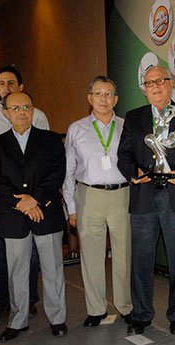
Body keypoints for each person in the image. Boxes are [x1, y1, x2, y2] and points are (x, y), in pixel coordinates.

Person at [117, 66, 175, 336]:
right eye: (149, 82)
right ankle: (141, 314)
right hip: (144, 197)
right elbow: (124, 155)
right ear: (144, 88)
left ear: (170, 83)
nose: (155, 86)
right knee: (141, 260)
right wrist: (134, 173)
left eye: (160, 81)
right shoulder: (133, 117)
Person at [0, 92, 67, 342]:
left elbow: (57, 173)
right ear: (6, 112)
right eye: (15, 108)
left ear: (33, 110)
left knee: (53, 268)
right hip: (14, 217)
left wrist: (35, 199)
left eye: (26, 107)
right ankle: (18, 321)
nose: (21, 112)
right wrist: (21, 203)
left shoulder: (51, 140)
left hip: (46, 211)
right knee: (17, 270)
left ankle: (58, 319)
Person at [0, 66, 46, 323]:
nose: (7, 87)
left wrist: (27, 195)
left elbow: (44, 155)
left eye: (11, 82)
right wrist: (5, 189)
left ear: (21, 86)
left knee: (31, 249)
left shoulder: (37, 116)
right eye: (1, 83)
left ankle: (29, 299)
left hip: (31, 196)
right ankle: (0, 300)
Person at [63, 76, 132, 328]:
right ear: (89, 98)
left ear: (115, 99)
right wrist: (70, 208)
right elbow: (68, 171)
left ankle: (125, 306)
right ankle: (96, 309)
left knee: (123, 252)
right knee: (91, 254)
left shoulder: (127, 126)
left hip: (121, 194)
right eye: (98, 93)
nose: (103, 99)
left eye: (108, 94)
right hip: (88, 195)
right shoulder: (76, 129)